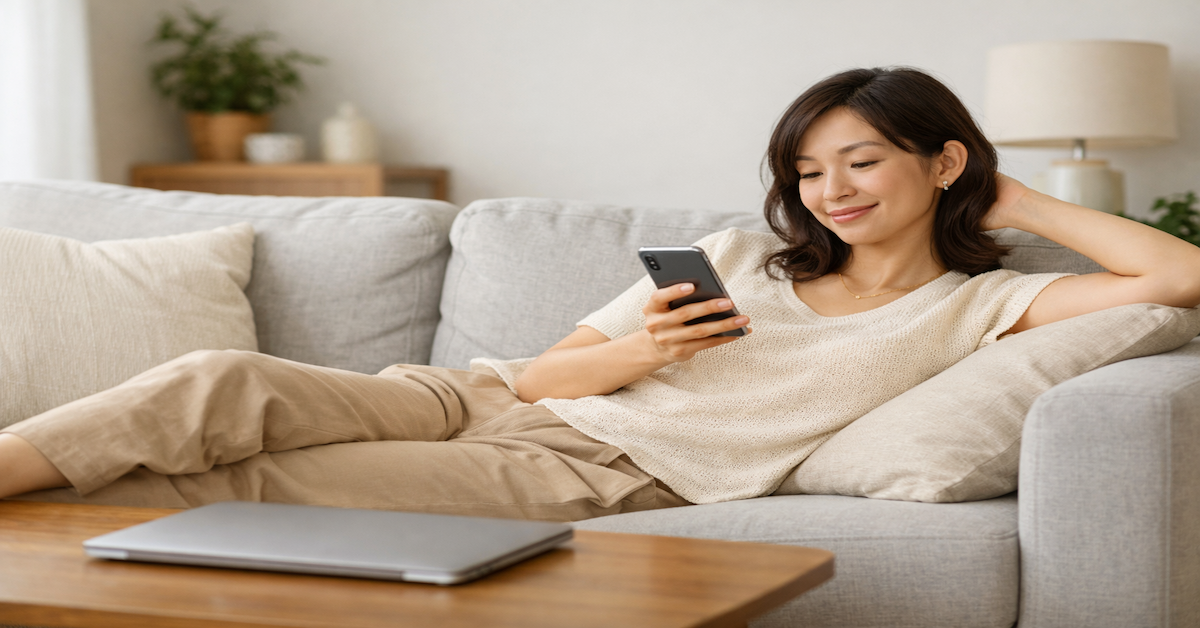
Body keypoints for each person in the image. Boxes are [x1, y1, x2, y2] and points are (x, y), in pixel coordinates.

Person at [2, 67, 1199, 519]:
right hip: (476, 399)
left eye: (863, 161)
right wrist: (635, 358)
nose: (828, 189)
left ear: (942, 162)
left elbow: (1178, 278)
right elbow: (538, 372)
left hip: (593, 473)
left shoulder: (977, 308)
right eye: (807, 167)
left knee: (244, 478)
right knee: (217, 382)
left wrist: (1021, 201)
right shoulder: (739, 256)